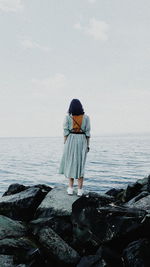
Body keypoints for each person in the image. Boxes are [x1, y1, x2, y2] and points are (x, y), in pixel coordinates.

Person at [59, 99, 91, 196]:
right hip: (82, 141)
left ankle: (70, 188)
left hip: (71, 140)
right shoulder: (86, 118)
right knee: (80, 165)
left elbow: (65, 132)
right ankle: (80, 190)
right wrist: (88, 146)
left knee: (71, 164)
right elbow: (88, 133)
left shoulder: (68, 118)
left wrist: (65, 144)